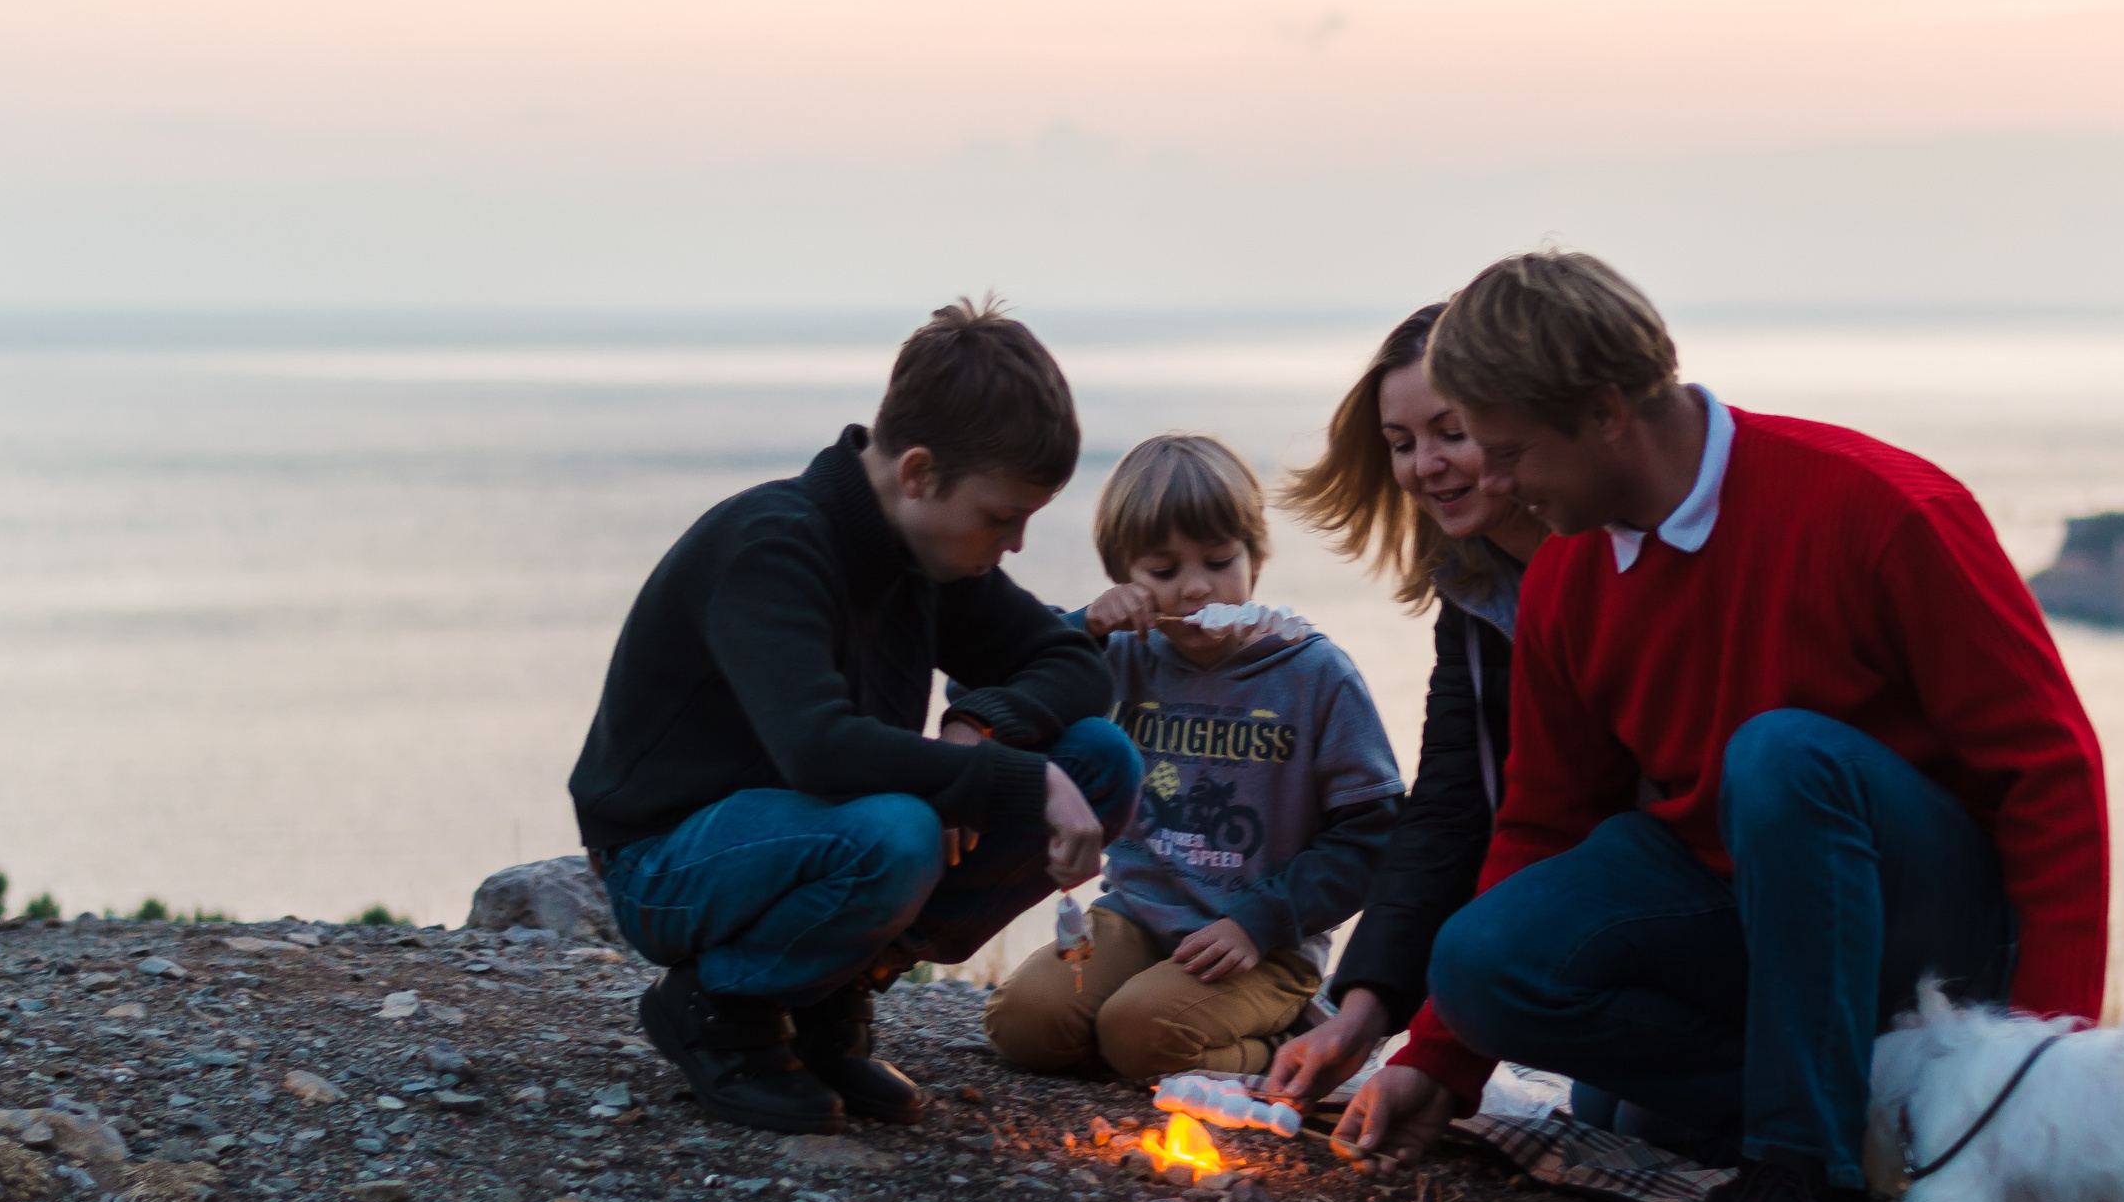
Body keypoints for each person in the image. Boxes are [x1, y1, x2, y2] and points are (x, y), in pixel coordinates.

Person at [1339, 251, 2110, 1202]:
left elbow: (2050, 773)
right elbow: (1547, 821)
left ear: (1605, 414)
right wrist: (1439, 1057)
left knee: (1782, 755)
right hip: (1749, 925)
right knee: (1481, 963)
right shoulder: (1567, 573)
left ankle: (1805, 1187)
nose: (1498, 483)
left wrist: (2043, 1063)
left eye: (1508, 451)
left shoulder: (1882, 508)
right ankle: (1864, 1110)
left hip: (1932, 934)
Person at [567, 300, 1144, 1137]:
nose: (1016, 542)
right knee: (899, 832)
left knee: (1100, 762)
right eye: (1000, 516)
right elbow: (819, 748)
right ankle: (720, 1007)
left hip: (812, 836)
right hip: (668, 864)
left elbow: (1073, 663)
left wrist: (978, 726)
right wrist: (1014, 782)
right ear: (918, 473)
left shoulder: (930, 557)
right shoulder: (772, 546)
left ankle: (827, 990)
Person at [983, 434, 1402, 1080]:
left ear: (1255, 558)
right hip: (1137, 918)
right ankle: (1149, 1028)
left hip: (1262, 942)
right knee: (1025, 1023)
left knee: (1141, 1034)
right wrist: (1082, 629)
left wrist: (1262, 922)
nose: (1197, 588)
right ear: (1125, 578)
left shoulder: (1315, 675)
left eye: (1219, 561)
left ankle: (1295, 1044)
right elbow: (986, 687)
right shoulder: (1118, 656)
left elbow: (1373, 835)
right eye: (1163, 571)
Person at [1264, 303, 1549, 1106]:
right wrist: (1358, 1015)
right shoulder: (1474, 596)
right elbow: (1451, 808)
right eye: (1401, 443)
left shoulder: (1613, 563)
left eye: (1451, 433)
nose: (1426, 466)